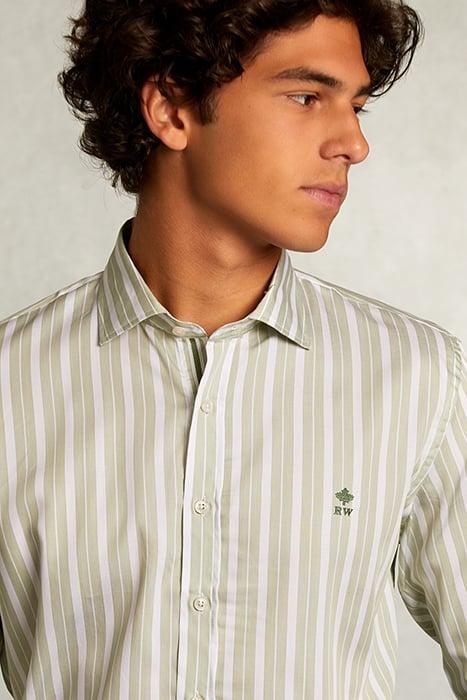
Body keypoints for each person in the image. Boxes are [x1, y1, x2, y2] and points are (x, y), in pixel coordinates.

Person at [0, 1, 465, 698]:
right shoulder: (11, 383)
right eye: (306, 97)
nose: (354, 143)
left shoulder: (418, 376)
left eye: (357, 106)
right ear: (171, 109)